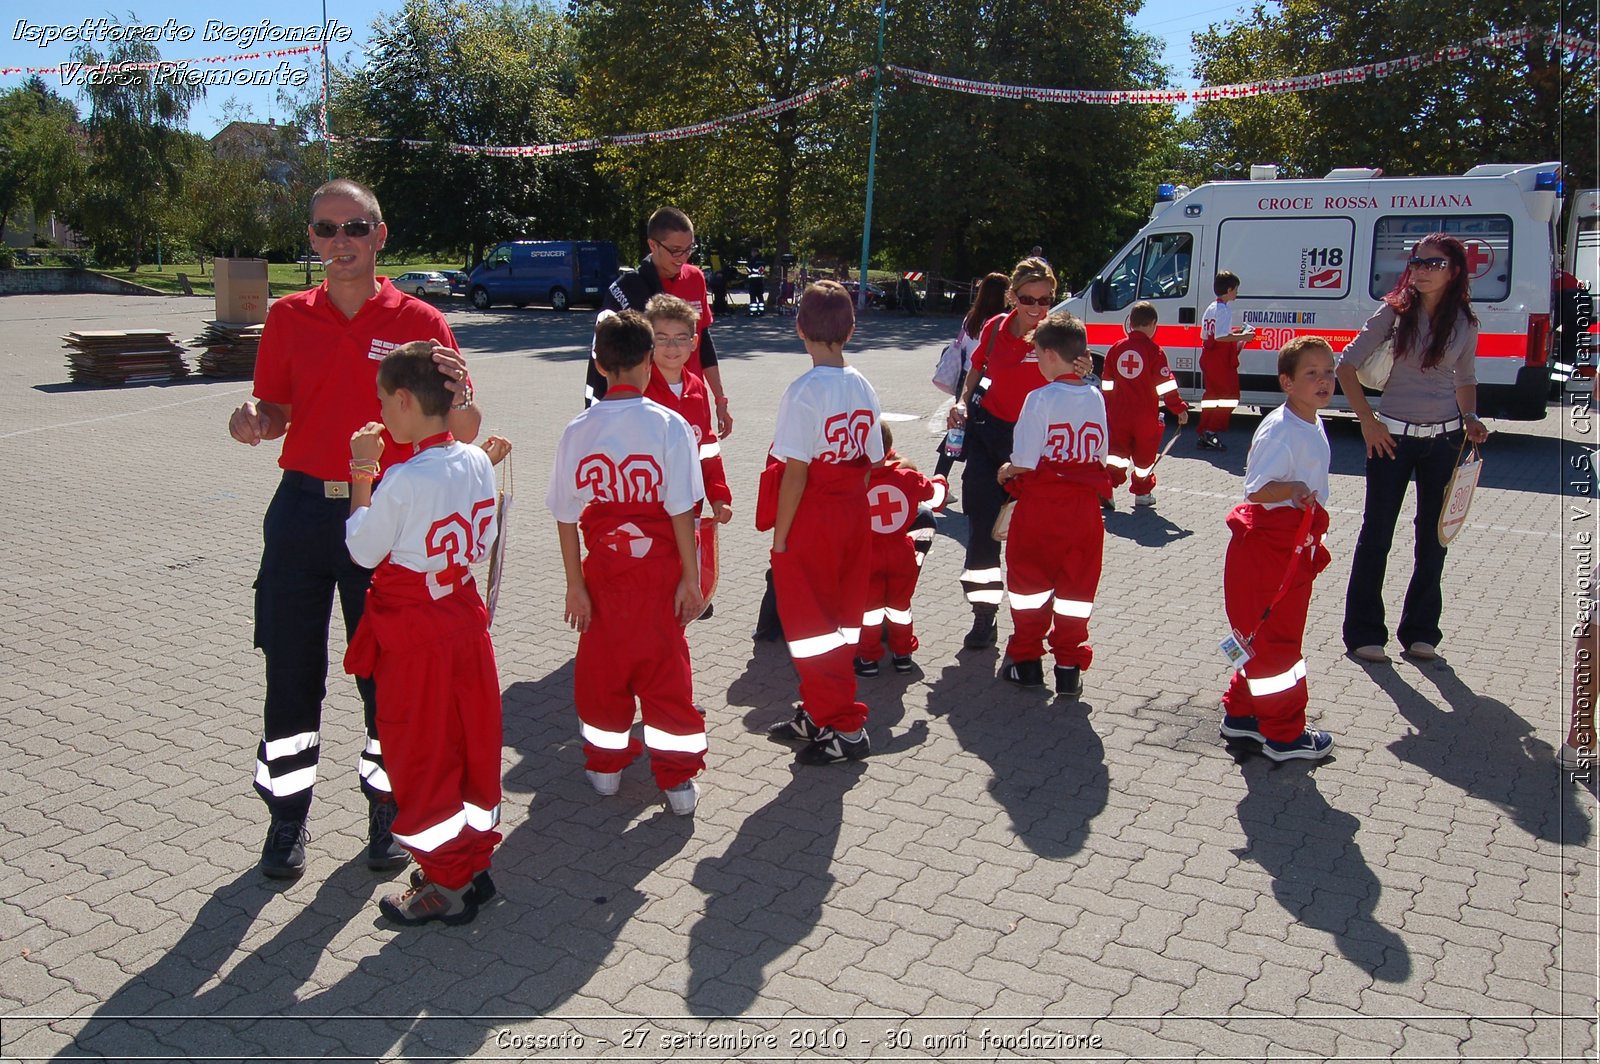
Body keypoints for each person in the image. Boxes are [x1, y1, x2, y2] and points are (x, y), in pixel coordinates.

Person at [227, 178, 482, 881]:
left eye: (355, 228)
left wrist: (464, 397)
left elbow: (461, 430)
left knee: (387, 679)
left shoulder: (421, 321)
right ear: (310, 239)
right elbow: (273, 409)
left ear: (380, 234)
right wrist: (252, 420)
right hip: (304, 513)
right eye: (325, 229)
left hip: (389, 515)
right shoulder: (287, 317)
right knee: (291, 674)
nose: (340, 242)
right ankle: (286, 819)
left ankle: (388, 809)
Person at [341, 343, 503, 925]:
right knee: (470, 742)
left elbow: (362, 549)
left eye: (386, 402)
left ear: (406, 401)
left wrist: (362, 470)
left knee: (423, 751)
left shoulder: (402, 478)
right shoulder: (477, 461)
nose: (382, 413)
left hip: (417, 635)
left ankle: (447, 882)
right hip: (463, 620)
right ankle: (471, 862)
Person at [549, 311, 707, 815]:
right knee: (666, 674)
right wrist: (691, 576)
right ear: (648, 361)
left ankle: (605, 767)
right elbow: (684, 509)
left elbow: (565, 517)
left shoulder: (578, 429)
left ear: (598, 362)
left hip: (604, 574)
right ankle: (678, 783)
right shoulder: (670, 424)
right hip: (660, 571)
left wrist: (575, 586)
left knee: (602, 673)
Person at [1336, 234, 1491, 663]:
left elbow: (1465, 378)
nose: (1421, 270)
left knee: (1433, 539)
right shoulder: (1393, 312)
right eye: (1417, 262)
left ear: (1454, 272)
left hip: (1444, 442)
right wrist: (1367, 421)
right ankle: (1364, 633)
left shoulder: (1464, 322)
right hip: (1391, 440)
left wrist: (1471, 417)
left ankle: (1422, 632)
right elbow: (1345, 366)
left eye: (1433, 264)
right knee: (1377, 535)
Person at [765, 281, 884, 765]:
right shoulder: (862, 384)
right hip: (854, 513)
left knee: (811, 625)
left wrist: (781, 536)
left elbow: (795, 472)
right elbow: (872, 458)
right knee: (839, 618)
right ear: (851, 330)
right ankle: (819, 710)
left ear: (800, 330)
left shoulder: (803, 391)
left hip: (814, 515)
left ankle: (844, 728)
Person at [947, 258, 1091, 650]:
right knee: (980, 534)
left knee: (1034, 543)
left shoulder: (1057, 335)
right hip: (987, 438)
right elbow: (975, 373)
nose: (1037, 308)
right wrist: (961, 403)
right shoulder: (994, 328)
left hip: (1034, 451)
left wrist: (1086, 370)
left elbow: (1081, 384)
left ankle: (1031, 632)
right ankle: (983, 615)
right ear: (1012, 295)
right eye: (1028, 298)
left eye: (1045, 300)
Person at [1218, 337, 1338, 761]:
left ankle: (1244, 713)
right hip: (1271, 552)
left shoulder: (1309, 419)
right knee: (1277, 643)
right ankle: (1285, 736)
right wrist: (1294, 489)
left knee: (1262, 639)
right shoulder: (1282, 429)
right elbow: (1257, 490)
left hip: (1289, 548)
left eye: (1328, 370)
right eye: (1312, 373)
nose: (1324, 380)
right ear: (1287, 382)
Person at [996, 313, 1109, 697]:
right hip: (1084, 510)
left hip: (1043, 507)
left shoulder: (1039, 398)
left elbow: (1025, 460)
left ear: (1048, 353)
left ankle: (1027, 662)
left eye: (1037, 356)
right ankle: (1068, 667)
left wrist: (1005, 469)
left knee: (1030, 585)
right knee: (1077, 590)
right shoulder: (1095, 395)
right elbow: (1101, 454)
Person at [586, 207, 732, 438]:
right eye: (675, 250)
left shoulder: (695, 278)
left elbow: (704, 342)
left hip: (691, 399)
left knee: (703, 467)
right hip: (647, 406)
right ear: (653, 245)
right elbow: (606, 358)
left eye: (688, 249)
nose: (683, 258)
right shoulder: (628, 289)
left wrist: (720, 398)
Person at [854, 424, 946, 677]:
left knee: (869, 610)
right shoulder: (907, 477)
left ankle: (868, 659)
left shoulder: (855, 481)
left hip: (867, 554)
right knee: (900, 607)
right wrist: (939, 480)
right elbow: (936, 498)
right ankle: (903, 654)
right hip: (901, 551)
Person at [1103, 300, 1189, 508]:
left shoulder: (1115, 349)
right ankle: (1142, 494)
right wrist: (1180, 409)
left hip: (1118, 413)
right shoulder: (1155, 352)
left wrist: (1106, 408)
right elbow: (1166, 387)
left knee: (1116, 454)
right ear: (1152, 323)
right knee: (1144, 457)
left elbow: (1106, 384)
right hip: (1144, 416)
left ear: (1131, 323)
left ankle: (1106, 491)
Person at [933, 272, 1008, 481]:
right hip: (985, 381)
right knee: (981, 433)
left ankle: (939, 479)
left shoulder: (972, 317)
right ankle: (970, 480)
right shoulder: (1001, 323)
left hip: (966, 379)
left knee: (957, 432)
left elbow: (964, 347)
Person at [1196, 270, 1256, 451]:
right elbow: (1222, 337)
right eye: (1236, 289)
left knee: (1211, 396)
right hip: (1220, 361)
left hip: (1209, 357)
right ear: (1229, 289)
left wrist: (1236, 334)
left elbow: (1207, 335)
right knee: (1229, 397)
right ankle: (1211, 431)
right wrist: (1243, 337)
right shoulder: (1223, 309)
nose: (1237, 292)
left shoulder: (1211, 307)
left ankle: (1204, 431)